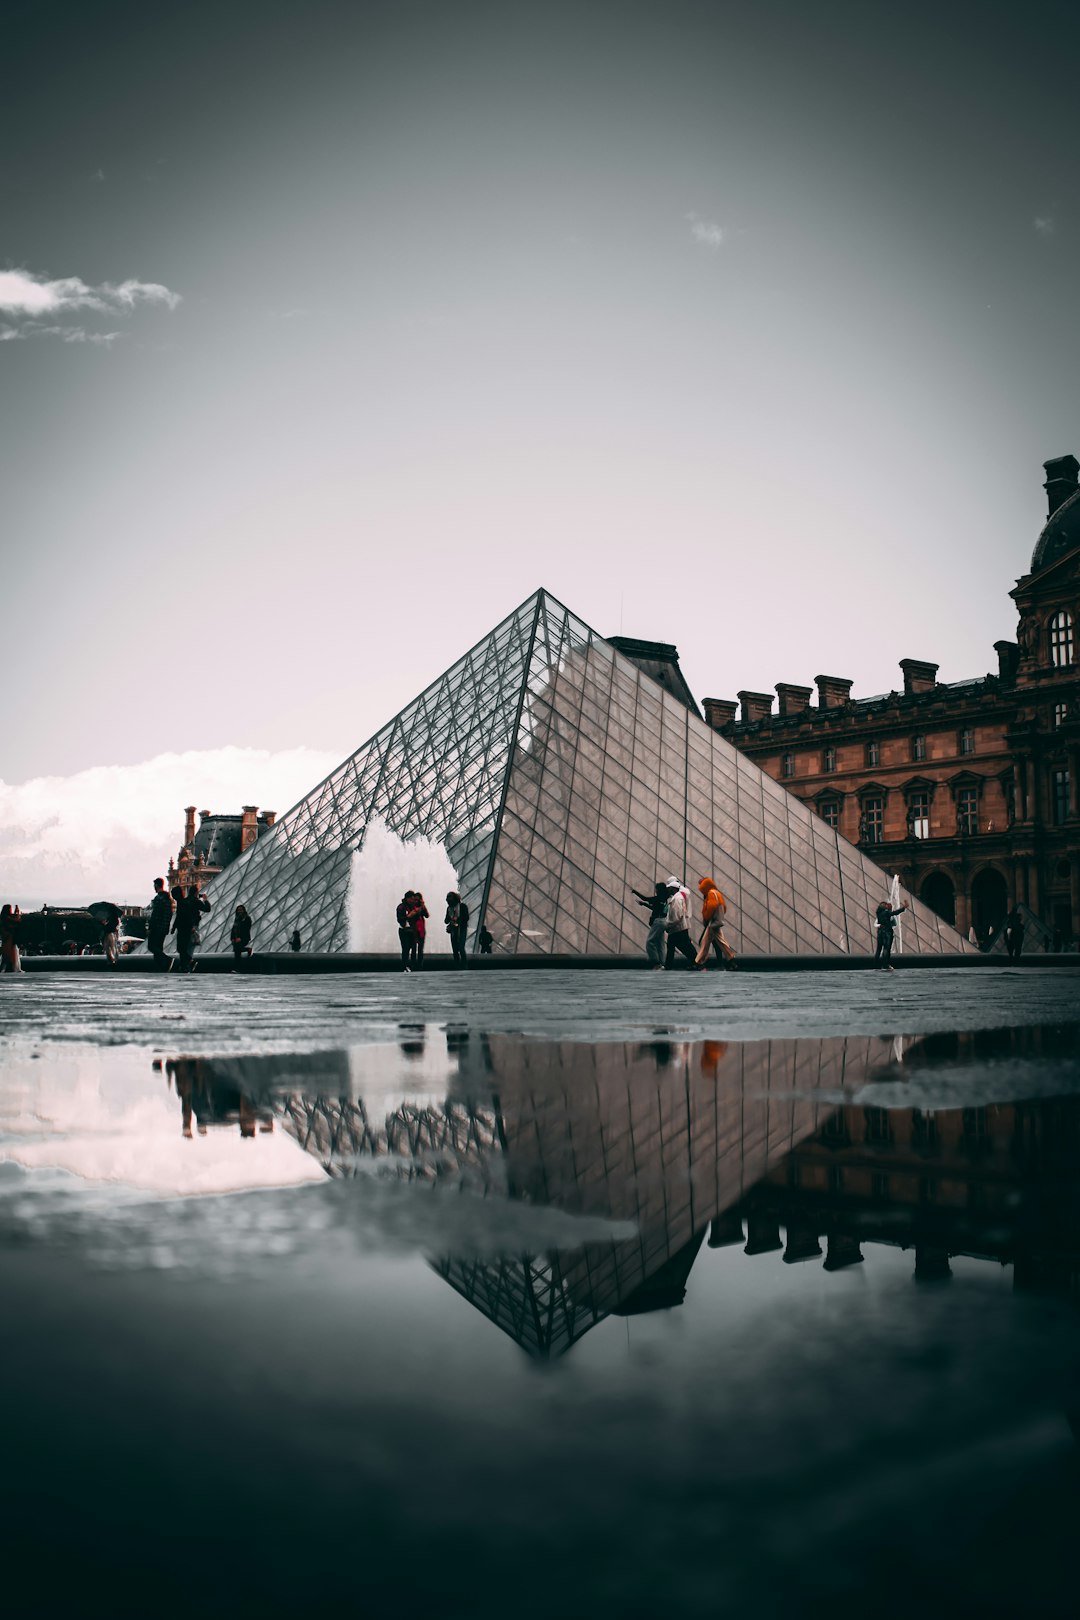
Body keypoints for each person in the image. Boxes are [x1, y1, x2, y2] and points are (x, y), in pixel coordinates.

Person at [695, 879, 737, 968]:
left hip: (713, 922)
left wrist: (706, 917)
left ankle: (698, 963)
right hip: (717, 921)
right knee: (709, 942)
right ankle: (731, 961)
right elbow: (724, 907)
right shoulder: (717, 893)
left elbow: (711, 906)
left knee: (706, 942)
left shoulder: (711, 893)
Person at [171, 885, 210, 972]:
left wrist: (174, 927)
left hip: (184, 927)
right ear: (196, 892)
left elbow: (180, 916)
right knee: (188, 948)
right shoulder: (195, 901)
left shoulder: (185, 901)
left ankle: (185, 965)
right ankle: (188, 963)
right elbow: (207, 909)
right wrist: (205, 900)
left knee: (182, 947)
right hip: (191, 926)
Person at [632, 881, 669, 969]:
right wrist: (644, 904)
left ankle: (655, 962)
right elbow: (654, 908)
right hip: (663, 921)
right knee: (660, 944)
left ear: (659, 890)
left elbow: (645, 898)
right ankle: (662, 963)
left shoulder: (658, 898)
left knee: (650, 942)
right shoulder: (664, 899)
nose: (655, 890)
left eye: (656, 889)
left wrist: (635, 892)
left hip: (658, 922)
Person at [664, 876, 698, 969]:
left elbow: (677, 915)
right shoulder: (683, 894)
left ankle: (697, 962)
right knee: (682, 945)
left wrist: (668, 925)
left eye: (669, 888)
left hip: (677, 926)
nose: (668, 890)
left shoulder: (677, 898)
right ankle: (696, 962)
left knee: (684, 946)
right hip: (681, 924)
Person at [873, 898, 908, 969]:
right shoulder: (886, 912)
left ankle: (876, 964)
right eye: (886, 905)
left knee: (879, 948)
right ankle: (885, 964)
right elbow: (895, 913)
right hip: (887, 932)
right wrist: (904, 907)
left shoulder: (878, 913)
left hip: (880, 932)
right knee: (886, 948)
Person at [147, 878, 173, 970]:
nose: (154, 887)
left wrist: (150, 927)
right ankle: (160, 966)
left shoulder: (158, 898)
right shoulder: (168, 898)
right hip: (164, 927)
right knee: (159, 947)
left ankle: (166, 959)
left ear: (157, 885)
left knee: (151, 946)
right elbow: (170, 914)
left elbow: (155, 915)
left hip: (156, 927)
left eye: (154, 886)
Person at [445, 891, 470, 966]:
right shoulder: (449, 908)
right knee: (455, 949)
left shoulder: (462, 906)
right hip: (453, 929)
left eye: (450, 897)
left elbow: (466, 918)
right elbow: (446, 920)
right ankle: (457, 965)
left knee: (461, 947)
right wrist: (450, 921)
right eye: (447, 897)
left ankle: (464, 964)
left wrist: (457, 920)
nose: (448, 899)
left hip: (461, 929)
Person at [396, 891, 416, 970]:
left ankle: (411, 965)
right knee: (405, 948)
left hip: (411, 930)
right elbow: (399, 919)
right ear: (407, 898)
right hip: (404, 930)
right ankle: (405, 966)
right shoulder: (401, 907)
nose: (413, 900)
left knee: (412, 947)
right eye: (411, 899)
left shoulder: (412, 906)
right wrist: (408, 916)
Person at [409, 892, 429, 969]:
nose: (416, 901)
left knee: (420, 949)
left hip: (421, 930)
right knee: (413, 948)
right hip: (413, 930)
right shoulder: (411, 907)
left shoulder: (422, 907)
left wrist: (423, 906)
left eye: (418, 900)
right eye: (415, 900)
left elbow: (427, 915)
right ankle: (413, 965)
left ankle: (420, 965)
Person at [0, 904, 22, 973]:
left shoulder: (4, 918)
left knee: (7, 954)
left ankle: (5, 968)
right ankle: (12, 968)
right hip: (9, 938)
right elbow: (17, 920)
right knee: (11, 954)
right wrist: (17, 912)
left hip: (6, 938)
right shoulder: (7, 918)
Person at [99, 901, 122, 966]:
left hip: (109, 933)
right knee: (112, 947)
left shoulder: (111, 917)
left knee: (109, 947)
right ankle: (114, 960)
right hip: (112, 933)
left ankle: (112, 960)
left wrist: (104, 924)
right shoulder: (115, 917)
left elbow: (109, 926)